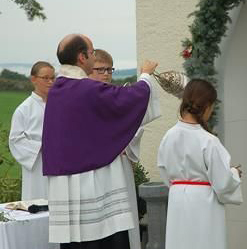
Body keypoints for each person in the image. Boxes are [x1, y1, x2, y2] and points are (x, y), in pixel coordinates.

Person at [42, 34, 160, 249]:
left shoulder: (59, 89)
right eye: (92, 51)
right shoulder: (85, 89)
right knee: (103, 239)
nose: (93, 55)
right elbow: (127, 101)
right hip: (92, 183)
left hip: (67, 184)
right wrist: (145, 76)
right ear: (81, 57)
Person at [157, 79, 242, 249]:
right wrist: (234, 173)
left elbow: (163, 170)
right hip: (204, 202)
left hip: (177, 198)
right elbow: (222, 182)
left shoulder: (169, 136)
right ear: (207, 106)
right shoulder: (209, 141)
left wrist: (180, 186)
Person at [89, 48, 145, 249]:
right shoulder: (82, 99)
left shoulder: (119, 96)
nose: (105, 74)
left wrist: (125, 142)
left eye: (109, 70)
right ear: (88, 70)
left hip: (118, 168)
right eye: (99, 69)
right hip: (93, 170)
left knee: (124, 221)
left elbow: (137, 122)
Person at [9, 61, 55, 201]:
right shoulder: (24, 109)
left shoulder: (58, 105)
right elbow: (15, 140)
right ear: (33, 79)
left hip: (58, 162)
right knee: (37, 203)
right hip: (36, 164)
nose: (50, 82)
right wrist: (41, 146)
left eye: (53, 78)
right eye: (45, 78)